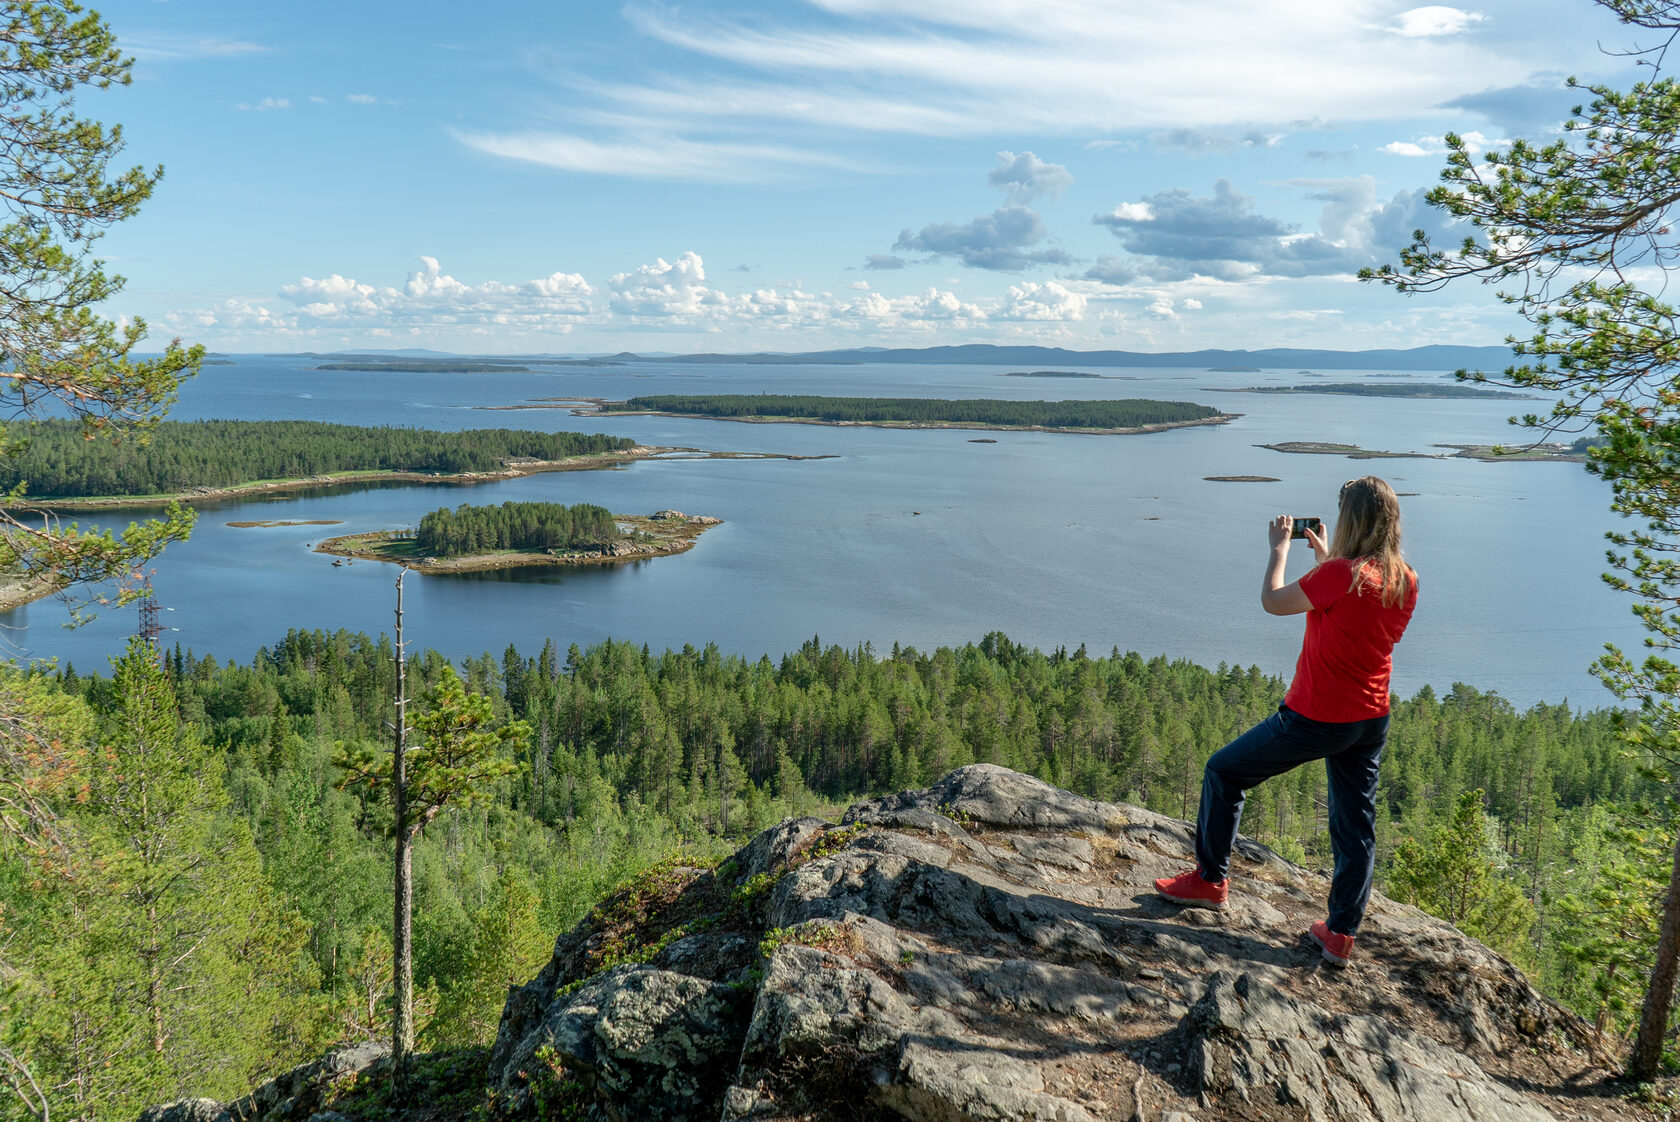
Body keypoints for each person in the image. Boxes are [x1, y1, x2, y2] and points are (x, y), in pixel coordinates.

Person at [1153, 476, 1418, 968]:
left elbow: (1274, 602)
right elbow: (1351, 607)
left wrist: (1278, 550)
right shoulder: (1403, 578)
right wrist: (1323, 562)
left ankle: (1210, 882)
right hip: (1370, 717)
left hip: (1318, 714)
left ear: (1352, 520)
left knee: (1225, 771)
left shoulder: (1341, 574)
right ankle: (1340, 934)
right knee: (1355, 826)